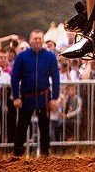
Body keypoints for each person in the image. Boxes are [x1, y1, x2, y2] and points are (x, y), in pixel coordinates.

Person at [10, 29, 60, 157]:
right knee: (22, 126)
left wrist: (54, 98)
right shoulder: (22, 56)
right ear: (30, 40)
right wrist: (16, 96)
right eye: (35, 38)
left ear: (43, 40)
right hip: (26, 97)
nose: (37, 41)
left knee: (44, 127)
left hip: (43, 97)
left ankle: (44, 154)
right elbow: (15, 77)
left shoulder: (50, 56)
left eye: (39, 38)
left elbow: (55, 78)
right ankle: (17, 155)